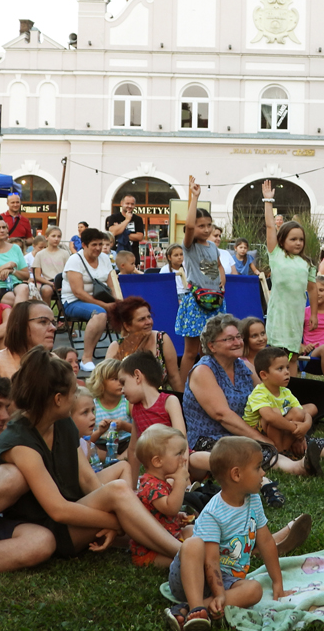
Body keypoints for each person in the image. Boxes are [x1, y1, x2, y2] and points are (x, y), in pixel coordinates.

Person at [0, 347, 184, 563]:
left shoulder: (62, 423)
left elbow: (88, 480)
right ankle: (182, 553)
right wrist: (115, 522)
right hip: (45, 529)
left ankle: (175, 544)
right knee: (119, 492)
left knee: (120, 494)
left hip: (73, 511)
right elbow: (59, 511)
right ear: (58, 399)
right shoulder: (20, 442)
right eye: (74, 392)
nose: (76, 397)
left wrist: (118, 512)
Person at [182, 315, 324, 507]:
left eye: (238, 337)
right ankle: (298, 467)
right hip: (212, 437)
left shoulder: (243, 366)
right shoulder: (204, 371)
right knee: (254, 448)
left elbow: (270, 398)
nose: (237, 342)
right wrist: (262, 438)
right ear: (212, 346)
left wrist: (294, 430)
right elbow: (222, 415)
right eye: (229, 339)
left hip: (247, 427)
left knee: (292, 433)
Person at [167, 437, 292, 628]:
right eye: (257, 467)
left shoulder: (254, 500)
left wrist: (277, 582)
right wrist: (219, 594)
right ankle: (196, 607)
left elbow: (266, 542)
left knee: (255, 590)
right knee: (193, 543)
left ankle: (189, 610)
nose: (263, 473)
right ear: (236, 474)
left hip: (226, 579)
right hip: (192, 576)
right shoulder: (213, 513)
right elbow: (210, 561)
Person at [262, 179, 317, 375]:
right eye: (293, 239)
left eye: (301, 239)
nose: (298, 243)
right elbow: (270, 227)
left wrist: (314, 314)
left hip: (296, 314)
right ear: (282, 240)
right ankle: (275, 386)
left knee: (293, 355)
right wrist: (268, 201)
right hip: (279, 313)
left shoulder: (307, 263)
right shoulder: (276, 255)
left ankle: (291, 388)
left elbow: (312, 289)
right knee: (278, 354)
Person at [175, 182, 226, 381]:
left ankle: (204, 384)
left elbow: (219, 265)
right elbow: (188, 226)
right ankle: (182, 389)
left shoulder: (212, 247)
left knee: (209, 349)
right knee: (191, 351)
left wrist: (222, 281)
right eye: (201, 225)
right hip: (196, 302)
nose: (205, 229)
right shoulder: (189, 247)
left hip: (215, 300)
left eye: (208, 225)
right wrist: (195, 198)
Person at [130, 425, 194, 568]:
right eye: (179, 453)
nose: (184, 458)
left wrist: (177, 516)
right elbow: (170, 508)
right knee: (183, 563)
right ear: (158, 461)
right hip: (151, 552)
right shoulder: (151, 486)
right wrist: (180, 481)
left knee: (192, 530)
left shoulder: (158, 482)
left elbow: (162, 511)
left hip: (170, 535)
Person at [120, 350, 187, 477]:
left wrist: (181, 474)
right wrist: (132, 486)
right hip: (157, 468)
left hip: (180, 459)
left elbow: (182, 439)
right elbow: (133, 449)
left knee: (199, 458)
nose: (121, 390)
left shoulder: (169, 401)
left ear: (137, 376)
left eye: (123, 383)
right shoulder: (136, 409)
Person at [61, 227, 118, 373]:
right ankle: (86, 358)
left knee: (131, 309)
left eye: (100, 244)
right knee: (100, 314)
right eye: (94, 245)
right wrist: (105, 305)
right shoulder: (75, 260)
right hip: (73, 301)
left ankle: (124, 353)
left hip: (101, 299)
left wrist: (118, 302)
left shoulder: (105, 258)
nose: (98, 248)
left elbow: (112, 284)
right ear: (84, 245)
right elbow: (78, 292)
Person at [244, 347, 317, 455]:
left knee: (297, 412)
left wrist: (306, 425)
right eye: (280, 369)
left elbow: (302, 411)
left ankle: (283, 450)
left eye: (287, 367)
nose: (287, 372)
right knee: (275, 413)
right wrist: (295, 428)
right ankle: (278, 450)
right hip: (256, 435)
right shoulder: (259, 393)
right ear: (264, 375)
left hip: (279, 427)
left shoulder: (285, 391)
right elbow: (269, 417)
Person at [105, 296, 182, 393]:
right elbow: (107, 382)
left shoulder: (161, 339)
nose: (149, 322)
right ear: (127, 326)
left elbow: (174, 377)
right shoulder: (116, 347)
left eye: (149, 317)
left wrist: (182, 399)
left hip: (159, 398)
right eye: (142, 319)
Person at [0, 300, 58, 379]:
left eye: (53, 323)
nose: (53, 328)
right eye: (43, 321)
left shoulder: (54, 361)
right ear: (20, 326)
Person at [31, 226, 69, 304]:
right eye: (53, 236)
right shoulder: (40, 254)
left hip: (62, 282)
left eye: (59, 236)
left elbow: (69, 272)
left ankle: (62, 310)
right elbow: (37, 276)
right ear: (46, 237)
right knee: (46, 290)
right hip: (47, 282)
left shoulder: (65, 253)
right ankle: (46, 309)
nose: (56, 239)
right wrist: (51, 283)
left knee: (64, 291)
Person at [106, 193, 145, 259]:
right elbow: (112, 232)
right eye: (127, 203)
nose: (130, 206)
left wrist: (121, 232)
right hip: (116, 254)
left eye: (132, 204)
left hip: (133, 254)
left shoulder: (138, 219)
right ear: (122, 203)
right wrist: (127, 220)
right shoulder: (114, 217)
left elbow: (140, 237)